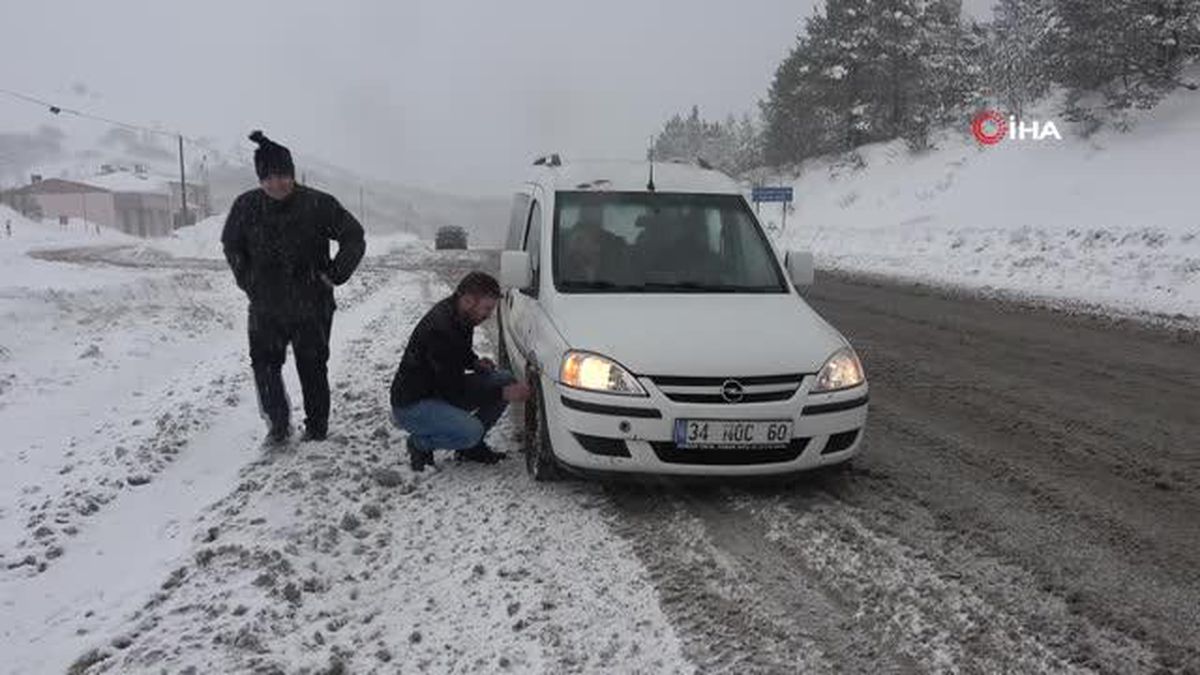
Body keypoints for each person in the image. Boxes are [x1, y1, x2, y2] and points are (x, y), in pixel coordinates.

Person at [221, 130, 366, 446]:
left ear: (293, 174)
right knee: (265, 366)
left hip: (312, 305)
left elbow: (353, 235)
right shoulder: (245, 207)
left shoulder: (317, 204)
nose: (277, 183)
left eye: (283, 175)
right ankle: (278, 425)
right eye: (269, 177)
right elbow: (232, 246)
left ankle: (317, 428)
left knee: (313, 366)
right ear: (261, 178)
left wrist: (335, 273)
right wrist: (250, 283)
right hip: (266, 307)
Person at [390, 272, 531, 471]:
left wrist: (475, 363)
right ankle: (420, 444)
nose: (488, 315)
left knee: (504, 379)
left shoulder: (460, 315)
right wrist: (502, 394)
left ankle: (470, 449)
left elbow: (459, 353)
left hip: (439, 389)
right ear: (467, 300)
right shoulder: (440, 329)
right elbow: (452, 392)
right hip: (414, 405)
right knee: (471, 431)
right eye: (487, 308)